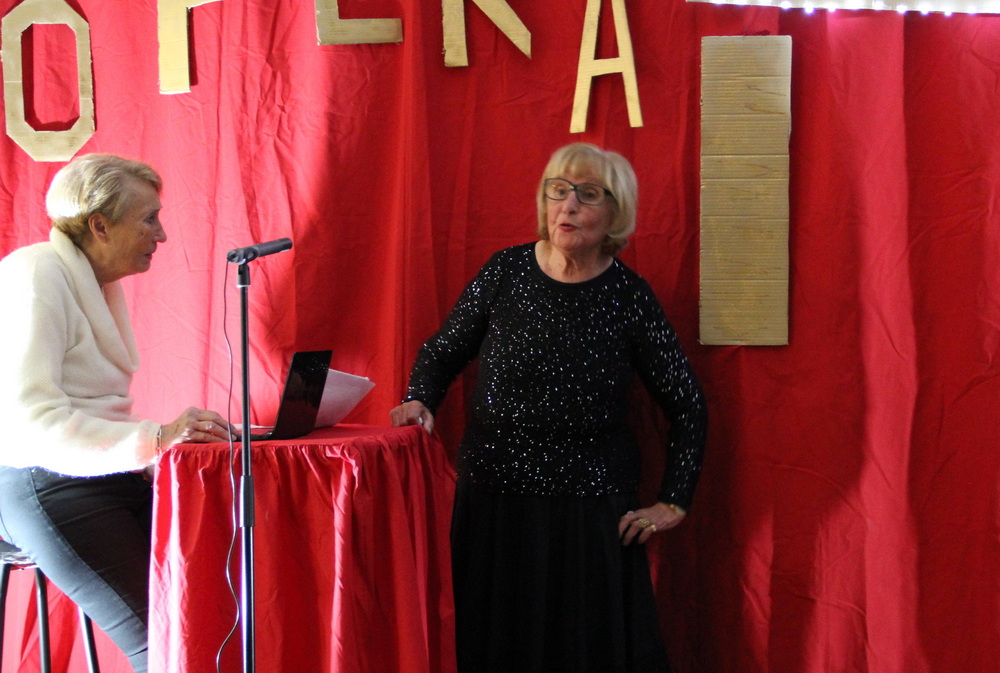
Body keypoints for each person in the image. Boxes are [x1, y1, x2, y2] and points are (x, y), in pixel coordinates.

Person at [390, 142, 708, 672]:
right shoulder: (505, 272)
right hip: (494, 507)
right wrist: (419, 398)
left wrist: (673, 502)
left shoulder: (629, 296)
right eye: (558, 191)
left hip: (592, 518)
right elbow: (442, 353)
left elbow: (688, 406)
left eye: (588, 194)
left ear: (616, 213)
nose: (569, 205)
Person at [0, 154, 232, 673]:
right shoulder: (35, 273)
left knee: (213, 614)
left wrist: (159, 446)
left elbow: (89, 403)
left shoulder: (95, 280)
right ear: (99, 226)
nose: (162, 235)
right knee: (170, 643)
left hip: (98, 478)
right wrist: (155, 438)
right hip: (41, 482)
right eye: (149, 219)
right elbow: (26, 423)